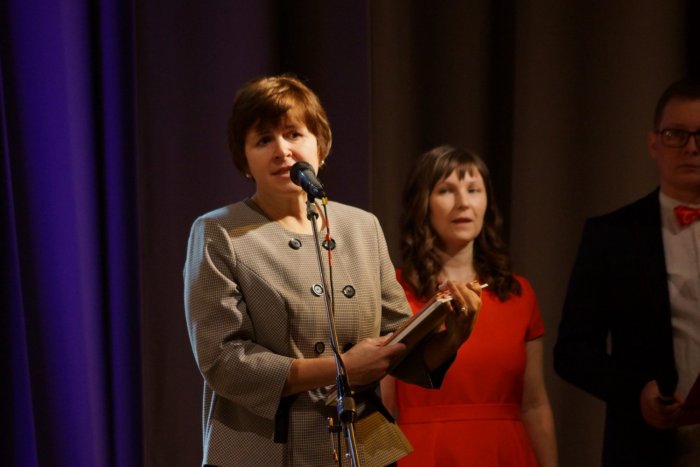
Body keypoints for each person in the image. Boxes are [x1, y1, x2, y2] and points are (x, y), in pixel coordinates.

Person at [183, 75, 484, 467]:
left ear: (320, 146)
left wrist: (453, 336)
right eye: (264, 140)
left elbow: (398, 345)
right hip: (266, 452)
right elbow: (223, 361)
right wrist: (341, 369)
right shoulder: (218, 231)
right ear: (245, 160)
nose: (282, 150)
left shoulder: (362, 227)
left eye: (294, 134)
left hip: (361, 448)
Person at [381, 145, 558, 466]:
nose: (463, 202)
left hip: (506, 452)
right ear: (423, 203)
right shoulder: (394, 291)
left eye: (473, 190)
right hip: (423, 453)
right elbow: (381, 406)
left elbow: (534, 405)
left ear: (487, 202)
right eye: (446, 190)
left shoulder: (518, 293)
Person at [553, 79, 700, 466]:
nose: (692, 147)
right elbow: (572, 351)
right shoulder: (612, 235)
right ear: (653, 144)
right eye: (676, 134)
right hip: (648, 448)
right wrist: (637, 391)